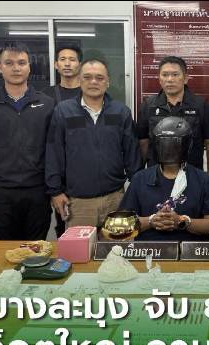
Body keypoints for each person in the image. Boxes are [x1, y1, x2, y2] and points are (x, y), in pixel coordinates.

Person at [0, 43, 55, 240]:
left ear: (29, 67)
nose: (16, 68)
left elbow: (54, 152)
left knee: (36, 248)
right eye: (9, 63)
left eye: (21, 63)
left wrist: (55, 190)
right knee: (3, 250)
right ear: (0, 67)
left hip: (37, 191)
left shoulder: (47, 104)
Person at [46, 58, 141, 228]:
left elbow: (132, 155)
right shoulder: (63, 111)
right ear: (79, 81)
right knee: (80, 247)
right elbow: (54, 153)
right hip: (78, 204)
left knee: (118, 245)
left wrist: (137, 191)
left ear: (108, 82)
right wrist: (55, 191)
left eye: (99, 77)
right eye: (87, 77)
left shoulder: (121, 112)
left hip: (116, 200)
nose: (93, 82)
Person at [119, 117, 209, 241]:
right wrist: (151, 221)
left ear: (186, 145)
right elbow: (122, 224)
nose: (169, 149)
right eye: (165, 144)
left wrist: (182, 221)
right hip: (150, 249)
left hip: (189, 249)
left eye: (174, 144)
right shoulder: (140, 179)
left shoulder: (203, 180)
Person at [136, 56, 209, 175]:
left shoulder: (201, 105)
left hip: (192, 175)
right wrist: (141, 176)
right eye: (165, 75)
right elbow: (143, 142)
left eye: (175, 74)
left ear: (185, 78)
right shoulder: (148, 106)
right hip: (157, 176)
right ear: (159, 79)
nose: (170, 79)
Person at [42, 45, 83, 237]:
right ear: (55, 64)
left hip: (81, 172)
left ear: (80, 64)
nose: (67, 63)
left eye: (72, 59)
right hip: (56, 172)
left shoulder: (89, 94)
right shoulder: (45, 96)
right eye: (63, 59)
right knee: (63, 227)